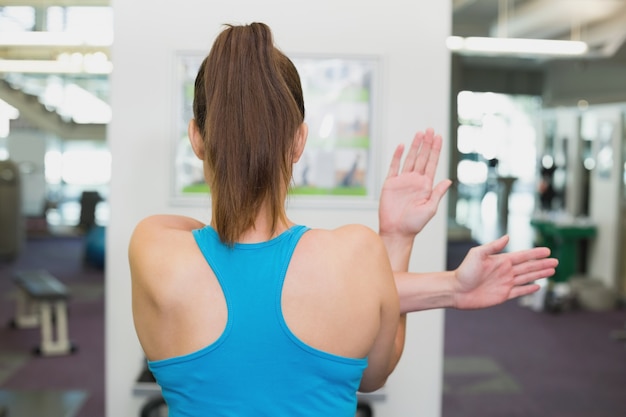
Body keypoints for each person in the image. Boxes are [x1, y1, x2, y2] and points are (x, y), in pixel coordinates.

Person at [129, 22, 557, 417]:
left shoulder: (154, 248)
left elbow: (244, 263)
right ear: (299, 140)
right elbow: (376, 372)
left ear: (197, 138)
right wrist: (399, 240)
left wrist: (450, 286)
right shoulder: (356, 255)